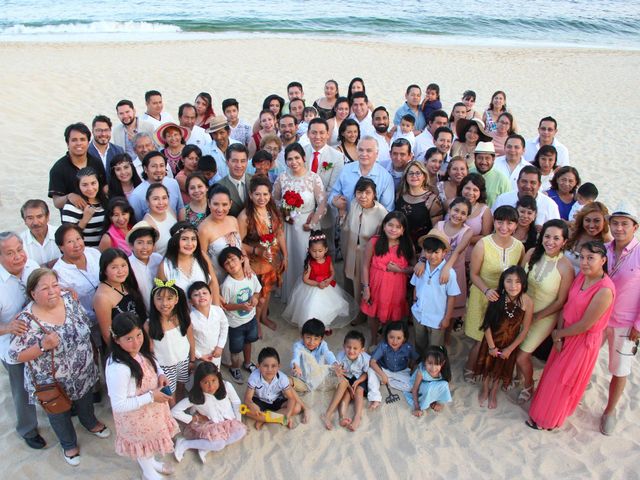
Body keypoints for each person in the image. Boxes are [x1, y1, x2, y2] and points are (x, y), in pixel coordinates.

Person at [9, 268, 110, 465]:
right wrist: (42, 346)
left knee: (85, 399)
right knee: (58, 413)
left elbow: (84, 322)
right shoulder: (25, 320)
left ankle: (89, 422)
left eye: (55, 285)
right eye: (45, 288)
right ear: (33, 294)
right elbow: (14, 355)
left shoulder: (69, 299)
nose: (53, 291)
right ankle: (68, 444)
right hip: (51, 381)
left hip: (82, 370)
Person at [527, 241, 615, 431]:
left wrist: (559, 334)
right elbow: (566, 306)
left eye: (590, 258)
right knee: (551, 375)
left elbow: (586, 324)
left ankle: (547, 421)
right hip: (565, 333)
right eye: (582, 257)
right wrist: (558, 334)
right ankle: (541, 413)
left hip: (581, 342)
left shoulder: (604, 290)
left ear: (603, 260)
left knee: (562, 382)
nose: (584, 262)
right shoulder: (581, 277)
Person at [105, 312, 178, 480]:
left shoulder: (138, 350)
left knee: (149, 444)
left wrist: (160, 374)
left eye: (138, 335)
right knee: (143, 445)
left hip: (151, 411)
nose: (136, 342)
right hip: (136, 417)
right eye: (128, 339)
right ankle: (149, 472)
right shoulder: (118, 368)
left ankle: (151, 464)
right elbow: (118, 404)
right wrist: (152, 396)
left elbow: (152, 361)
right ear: (117, 340)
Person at [515, 220, 574, 404]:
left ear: (564, 241)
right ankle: (516, 377)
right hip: (521, 309)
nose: (550, 241)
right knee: (515, 345)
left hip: (544, 317)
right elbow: (518, 279)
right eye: (547, 236)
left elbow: (561, 301)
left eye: (557, 238)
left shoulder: (566, 267)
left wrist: (536, 316)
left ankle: (528, 385)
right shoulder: (532, 252)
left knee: (522, 355)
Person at [464, 206, 524, 382]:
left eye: (509, 223)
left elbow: (517, 274)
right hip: (482, 294)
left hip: (505, 299)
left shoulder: (519, 247)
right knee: (479, 337)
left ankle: (487, 370)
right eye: (500, 222)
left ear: (515, 225)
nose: (504, 227)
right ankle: (470, 367)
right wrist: (487, 290)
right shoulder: (483, 244)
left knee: (497, 337)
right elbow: (473, 274)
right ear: (494, 222)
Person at [0, 232, 44, 449]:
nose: (18, 257)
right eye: (9, 253)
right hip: (11, 346)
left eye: (19, 249)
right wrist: (8, 327)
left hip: (40, 339)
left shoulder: (32, 266)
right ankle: (28, 429)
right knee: (22, 389)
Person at [601, 203, 640, 435]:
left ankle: (610, 411)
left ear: (635, 227)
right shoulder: (604, 249)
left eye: (624, 224)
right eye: (615, 223)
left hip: (625, 322)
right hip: (598, 318)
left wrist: (638, 324)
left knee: (620, 368)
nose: (619, 228)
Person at [273, 143, 327, 302]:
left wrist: (313, 221)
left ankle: (309, 297)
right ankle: (291, 294)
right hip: (288, 226)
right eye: (289, 159)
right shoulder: (282, 177)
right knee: (290, 257)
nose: (293, 162)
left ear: (304, 158)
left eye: (297, 157)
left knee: (307, 258)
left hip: (308, 226)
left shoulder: (313, 178)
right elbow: (275, 199)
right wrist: (284, 212)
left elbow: (322, 203)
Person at [474, 266, 533, 409]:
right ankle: (486, 389)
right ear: (503, 282)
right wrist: (491, 346)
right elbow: (486, 324)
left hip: (509, 343)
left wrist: (510, 349)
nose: (513, 286)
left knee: (500, 368)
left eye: (518, 282)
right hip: (491, 340)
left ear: (523, 283)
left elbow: (525, 329)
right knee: (488, 366)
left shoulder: (527, 301)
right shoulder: (496, 296)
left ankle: (494, 392)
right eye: (509, 281)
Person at [238, 176, 287, 332]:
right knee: (258, 297)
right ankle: (256, 323)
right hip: (255, 262)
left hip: (272, 259)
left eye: (265, 194)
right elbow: (236, 242)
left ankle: (264, 317)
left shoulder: (272, 212)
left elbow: (279, 234)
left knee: (268, 291)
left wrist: (285, 255)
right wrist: (256, 251)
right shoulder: (245, 216)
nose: (262, 198)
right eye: (257, 194)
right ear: (251, 195)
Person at [171, 361, 245, 463]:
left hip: (227, 422)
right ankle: (185, 443)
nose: (211, 386)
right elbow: (174, 411)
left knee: (241, 431)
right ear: (199, 383)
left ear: (218, 378)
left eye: (214, 380)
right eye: (206, 382)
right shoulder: (196, 397)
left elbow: (236, 402)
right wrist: (193, 418)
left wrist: (237, 421)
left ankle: (205, 447)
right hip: (209, 425)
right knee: (219, 444)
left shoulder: (227, 386)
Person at [282, 231, 353, 331]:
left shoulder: (328, 259)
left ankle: (325, 324)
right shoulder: (310, 263)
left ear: (325, 249)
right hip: (313, 287)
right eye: (314, 251)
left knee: (326, 307)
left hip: (327, 286)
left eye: (320, 251)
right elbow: (305, 279)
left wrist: (329, 279)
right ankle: (311, 326)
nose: (317, 254)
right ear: (309, 250)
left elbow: (332, 272)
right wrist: (317, 283)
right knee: (312, 307)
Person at [361, 211, 415, 345]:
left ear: (403, 231)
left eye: (398, 227)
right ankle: (374, 340)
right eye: (390, 225)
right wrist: (366, 288)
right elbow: (365, 267)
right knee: (373, 314)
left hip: (396, 289)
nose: (393, 229)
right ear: (384, 226)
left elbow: (414, 268)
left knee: (393, 316)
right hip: (376, 286)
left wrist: (400, 269)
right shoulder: (374, 242)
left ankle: (388, 340)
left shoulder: (408, 246)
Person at [341, 178, 388, 308]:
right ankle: (352, 308)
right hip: (351, 251)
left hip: (368, 256)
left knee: (363, 283)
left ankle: (362, 313)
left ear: (374, 194)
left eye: (367, 192)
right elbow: (346, 226)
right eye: (359, 192)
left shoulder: (381, 212)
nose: (363, 196)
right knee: (350, 279)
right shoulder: (355, 204)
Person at [410, 230, 461, 352]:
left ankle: (433, 369)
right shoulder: (420, 268)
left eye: (436, 252)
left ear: (444, 253)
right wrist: (414, 303)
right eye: (428, 252)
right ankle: (420, 365)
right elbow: (415, 286)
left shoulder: (449, 274)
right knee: (419, 344)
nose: (432, 256)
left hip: (437, 319)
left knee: (434, 349)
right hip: (419, 315)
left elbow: (451, 297)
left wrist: (447, 318)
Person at [219, 246, 261, 384]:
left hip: (251, 319)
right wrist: (241, 306)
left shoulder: (251, 276)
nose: (231, 264)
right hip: (235, 324)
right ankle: (235, 367)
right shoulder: (227, 285)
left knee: (249, 342)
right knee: (235, 349)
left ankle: (248, 363)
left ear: (242, 259)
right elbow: (224, 305)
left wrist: (255, 298)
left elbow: (257, 291)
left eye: (233, 259)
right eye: (227, 263)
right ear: (224, 268)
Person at [146, 280, 194, 398]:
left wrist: (192, 360)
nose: (164, 303)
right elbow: (150, 349)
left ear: (176, 300)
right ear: (153, 300)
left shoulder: (183, 318)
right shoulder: (149, 324)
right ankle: (173, 412)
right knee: (169, 393)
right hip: (165, 366)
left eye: (169, 298)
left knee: (182, 384)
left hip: (183, 361)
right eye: (159, 298)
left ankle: (180, 404)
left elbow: (191, 339)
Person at [304, 118, 345, 253]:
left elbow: (333, 187)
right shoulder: (301, 153)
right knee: (305, 246)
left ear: (328, 134)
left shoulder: (337, 157)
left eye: (322, 133)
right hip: (303, 211)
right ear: (308, 134)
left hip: (326, 211)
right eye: (314, 133)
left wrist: (317, 209)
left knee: (328, 247)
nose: (318, 137)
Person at [243, 347, 308, 430]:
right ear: (258, 366)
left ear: (278, 366)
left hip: (276, 401)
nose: (269, 369)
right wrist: (252, 404)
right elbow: (247, 399)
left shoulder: (282, 378)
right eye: (265, 366)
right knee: (247, 409)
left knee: (297, 407)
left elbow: (291, 399)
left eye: (273, 366)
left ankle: (265, 419)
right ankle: (275, 417)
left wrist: (287, 415)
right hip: (259, 401)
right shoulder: (254, 377)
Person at [330, 136, 395, 217]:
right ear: (356, 151)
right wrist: (334, 201)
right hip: (346, 223)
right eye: (361, 150)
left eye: (369, 150)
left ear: (377, 154)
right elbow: (333, 194)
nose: (364, 154)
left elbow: (388, 209)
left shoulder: (385, 177)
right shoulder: (346, 170)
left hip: (373, 226)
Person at [93, 248, 147, 345]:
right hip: (123, 348)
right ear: (104, 270)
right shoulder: (102, 297)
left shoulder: (126, 283)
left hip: (140, 339)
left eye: (123, 265)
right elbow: (107, 335)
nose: (120, 271)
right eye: (114, 267)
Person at [49, 123, 107, 211]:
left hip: (98, 215)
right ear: (67, 143)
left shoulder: (96, 162)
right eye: (74, 140)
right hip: (71, 220)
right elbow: (57, 202)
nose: (79, 143)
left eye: (82, 139)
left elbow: (103, 188)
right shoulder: (58, 169)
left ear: (88, 142)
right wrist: (69, 196)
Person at [52, 224, 101, 326]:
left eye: (78, 239)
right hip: (86, 322)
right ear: (61, 247)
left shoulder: (94, 253)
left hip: (108, 310)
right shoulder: (59, 272)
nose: (76, 244)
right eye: (70, 242)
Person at [434, 197, 474, 321]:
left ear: (467, 216)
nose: (458, 215)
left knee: (451, 311)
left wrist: (446, 268)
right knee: (436, 304)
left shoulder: (467, 231)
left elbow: (457, 251)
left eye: (463, 213)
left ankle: (446, 339)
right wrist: (422, 262)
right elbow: (430, 246)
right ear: (449, 210)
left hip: (455, 271)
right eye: (456, 210)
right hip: (436, 269)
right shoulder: (439, 225)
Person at [157, 221, 218, 300]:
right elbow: (163, 297)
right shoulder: (165, 266)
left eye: (193, 239)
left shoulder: (202, 256)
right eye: (184, 239)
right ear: (175, 241)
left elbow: (213, 283)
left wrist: (216, 308)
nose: (190, 244)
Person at [198, 184, 245, 286]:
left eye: (224, 204)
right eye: (216, 204)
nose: (220, 209)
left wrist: (247, 263)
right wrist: (213, 286)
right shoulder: (203, 229)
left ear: (230, 204)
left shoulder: (233, 220)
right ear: (209, 203)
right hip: (219, 281)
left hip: (239, 276)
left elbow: (240, 246)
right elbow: (202, 261)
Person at [323, 330, 369, 431]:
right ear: (344, 346)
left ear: (362, 350)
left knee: (359, 391)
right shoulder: (340, 356)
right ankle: (342, 417)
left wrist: (358, 382)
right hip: (346, 377)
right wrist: (348, 386)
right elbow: (339, 373)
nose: (351, 351)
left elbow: (366, 373)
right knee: (346, 394)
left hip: (359, 378)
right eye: (348, 347)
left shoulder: (365, 358)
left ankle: (357, 417)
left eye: (355, 348)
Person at [367, 322, 419, 410]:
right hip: (384, 369)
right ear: (386, 336)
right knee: (370, 370)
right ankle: (375, 397)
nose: (395, 341)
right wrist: (383, 375)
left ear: (404, 338)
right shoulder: (383, 345)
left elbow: (417, 359)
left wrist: (412, 366)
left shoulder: (408, 347)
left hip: (402, 371)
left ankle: (388, 382)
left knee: (411, 387)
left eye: (399, 338)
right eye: (391, 337)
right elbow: (372, 361)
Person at [395, 160, 444, 249]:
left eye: (418, 173)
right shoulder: (399, 195)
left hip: (421, 247)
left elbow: (437, 230)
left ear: (424, 176)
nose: (414, 176)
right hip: (399, 245)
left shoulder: (432, 200)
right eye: (411, 173)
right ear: (406, 176)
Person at [492, 165, 561, 226]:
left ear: (539, 185)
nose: (528, 186)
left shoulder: (550, 205)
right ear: (517, 182)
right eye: (524, 181)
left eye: (533, 183)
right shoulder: (503, 200)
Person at [128, 151, 185, 222]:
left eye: (161, 165)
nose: (158, 170)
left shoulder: (173, 183)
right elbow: (137, 221)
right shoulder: (137, 195)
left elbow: (180, 208)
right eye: (154, 166)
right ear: (145, 169)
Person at [61, 167, 107, 248]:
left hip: (105, 253)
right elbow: (68, 237)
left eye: (93, 183)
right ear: (78, 186)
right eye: (84, 185)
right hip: (85, 254)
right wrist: (85, 219)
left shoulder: (105, 201)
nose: (90, 188)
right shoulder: (71, 207)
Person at [290, 318, 340, 392]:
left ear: (321, 339)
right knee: (286, 382)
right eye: (308, 337)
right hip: (303, 379)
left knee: (343, 381)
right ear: (302, 336)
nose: (311, 342)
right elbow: (295, 357)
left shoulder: (323, 345)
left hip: (319, 379)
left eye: (316, 339)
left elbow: (328, 354)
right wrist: (296, 366)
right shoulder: (298, 346)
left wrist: (335, 364)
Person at [187, 282, 228, 368]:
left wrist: (220, 346)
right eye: (196, 295)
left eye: (204, 293)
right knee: (201, 376)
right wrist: (199, 355)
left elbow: (224, 326)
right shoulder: (190, 319)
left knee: (216, 372)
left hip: (216, 353)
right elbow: (188, 340)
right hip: (200, 357)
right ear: (191, 302)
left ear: (211, 297)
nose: (201, 296)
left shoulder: (218, 311)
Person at [565, 202, 612, 273]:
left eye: (597, 221)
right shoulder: (572, 233)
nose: (592, 225)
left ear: (604, 222)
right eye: (587, 220)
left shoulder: (608, 244)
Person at [126, 221, 163, 311]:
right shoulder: (128, 265)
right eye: (140, 243)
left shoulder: (158, 259)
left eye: (149, 243)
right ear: (131, 245)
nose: (145, 247)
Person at [405, 346, 452, 416]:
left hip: (430, 385)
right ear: (424, 362)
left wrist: (437, 402)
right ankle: (428, 401)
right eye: (430, 363)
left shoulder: (443, 372)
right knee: (429, 387)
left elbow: (442, 388)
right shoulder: (421, 372)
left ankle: (434, 401)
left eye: (437, 364)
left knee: (444, 384)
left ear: (442, 363)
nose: (433, 368)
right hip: (421, 385)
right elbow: (414, 389)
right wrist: (417, 407)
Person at [458, 173, 493, 264]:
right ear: (461, 188)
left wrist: (461, 239)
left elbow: (486, 237)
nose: (470, 193)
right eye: (467, 188)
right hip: (448, 256)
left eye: (475, 190)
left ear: (480, 192)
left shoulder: (484, 210)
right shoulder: (450, 204)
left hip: (471, 259)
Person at [19, 199, 61, 267]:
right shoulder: (20, 242)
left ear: (47, 217)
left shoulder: (62, 234)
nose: (35, 222)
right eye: (30, 218)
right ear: (24, 220)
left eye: (39, 216)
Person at [469, 141, 510, 207]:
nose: (483, 162)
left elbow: (507, 203)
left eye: (487, 158)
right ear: (475, 158)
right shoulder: (468, 173)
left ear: (493, 159)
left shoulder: (502, 179)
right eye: (480, 158)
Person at [217, 144, 253, 218]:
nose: (239, 165)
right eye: (234, 161)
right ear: (227, 162)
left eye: (243, 161)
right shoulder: (219, 186)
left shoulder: (255, 181)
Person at [142, 183, 177, 256]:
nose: (161, 203)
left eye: (164, 198)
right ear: (147, 201)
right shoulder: (147, 225)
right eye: (155, 199)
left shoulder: (169, 210)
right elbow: (152, 256)